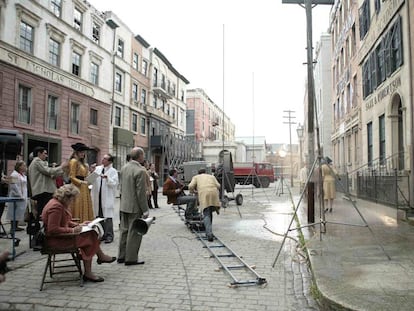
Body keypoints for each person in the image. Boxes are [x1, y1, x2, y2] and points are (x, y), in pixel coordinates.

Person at [41, 184, 116, 283]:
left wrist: (79, 224)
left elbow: (64, 221)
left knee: (91, 234)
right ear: (67, 198)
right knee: (90, 238)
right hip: (56, 240)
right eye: (73, 199)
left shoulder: (57, 203)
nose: (73, 202)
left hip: (60, 237)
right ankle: (91, 269)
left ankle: (99, 259)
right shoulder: (56, 207)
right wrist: (72, 230)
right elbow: (53, 229)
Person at [118, 147, 149, 265]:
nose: (144, 157)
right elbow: (140, 192)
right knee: (134, 232)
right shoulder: (140, 170)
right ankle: (131, 258)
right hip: (134, 206)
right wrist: (145, 209)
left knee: (124, 230)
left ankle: (121, 255)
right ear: (140, 156)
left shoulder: (124, 167)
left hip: (124, 204)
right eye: (143, 155)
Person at [28, 146, 68, 219]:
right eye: (45, 153)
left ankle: (43, 225)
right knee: (45, 210)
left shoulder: (37, 163)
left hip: (43, 190)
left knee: (43, 209)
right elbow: (48, 171)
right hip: (43, 191)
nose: (46, 156)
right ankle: (44, 226)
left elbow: (50, 174)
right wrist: (61, 167)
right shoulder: (37, 161)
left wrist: (60, 170)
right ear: (39, 153)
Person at [90, 154, 118, 244]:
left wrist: (107, 178)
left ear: (110, 161)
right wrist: (91, 171)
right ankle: (103, 234)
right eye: (103, 158)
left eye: (105, 159)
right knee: (99, 216)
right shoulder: (98, 168)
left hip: (107, 197)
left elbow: (114, 183)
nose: (103, 160)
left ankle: (109, 235)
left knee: (108, 217)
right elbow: (91, 179)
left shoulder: (113, 171)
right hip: (97, 195)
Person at [188, 168, 221, 242]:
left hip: (204, 194)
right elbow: (218, 186)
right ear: (205, 172)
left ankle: (209, 234)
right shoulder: (211, 176)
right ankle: (209, 230)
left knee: (206, 213)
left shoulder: (196, 177)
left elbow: (190, 186)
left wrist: (193, 191)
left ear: (198, 173)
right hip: (214, 194)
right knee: (209, 212)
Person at [68, 143, 94, 223]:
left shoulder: (83, 164)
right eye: (81, 152)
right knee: (78, 205)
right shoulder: (74, 161)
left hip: (84, 187)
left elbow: (86, 176)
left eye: (84, 152)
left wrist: (90, 173)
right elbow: (71, 176)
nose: (83, 154)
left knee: (85, 206)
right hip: (77, 187)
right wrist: (81, 183)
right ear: (77, 152)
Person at [6, 161, 27, 233]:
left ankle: (16, 226)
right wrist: (19, 195)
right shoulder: (14, 174)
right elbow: (13, 186)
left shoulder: (22, 175)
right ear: (19, 166)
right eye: (24, 166)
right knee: (13, 211)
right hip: (16, 196)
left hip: (22, 196)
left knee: (19, 211)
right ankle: (13, 227)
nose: (25, 167)